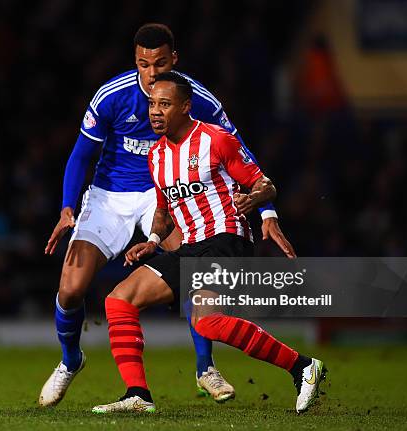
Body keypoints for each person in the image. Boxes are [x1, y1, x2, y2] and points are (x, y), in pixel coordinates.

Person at [40, 23, 296, 407]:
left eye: (160, 63)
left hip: (165, 196)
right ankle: (70, 360)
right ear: (136, 61)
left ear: (173, 59)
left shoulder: (195, 98)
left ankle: (204, 366)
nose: (152, 73)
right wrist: (67, 208)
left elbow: (240, 152)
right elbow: (81, 155)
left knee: (192, 267)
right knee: (71, 288)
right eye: (144, 64)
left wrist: (267, 210)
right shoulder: (112, 96)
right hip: (110, 196)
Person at [92, 72, 325, 414]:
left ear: (186, 107)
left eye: (165, 104)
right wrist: (153, 240)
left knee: (206, 321)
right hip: (191, 246)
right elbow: (164, 209)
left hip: (227, 238)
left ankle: (303, 367)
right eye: (153, 104)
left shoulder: (216, 139)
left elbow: (265, 184)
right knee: (119, 300)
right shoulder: (156, 155)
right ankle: (138, 394)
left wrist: (255, 200)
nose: (155, 111)